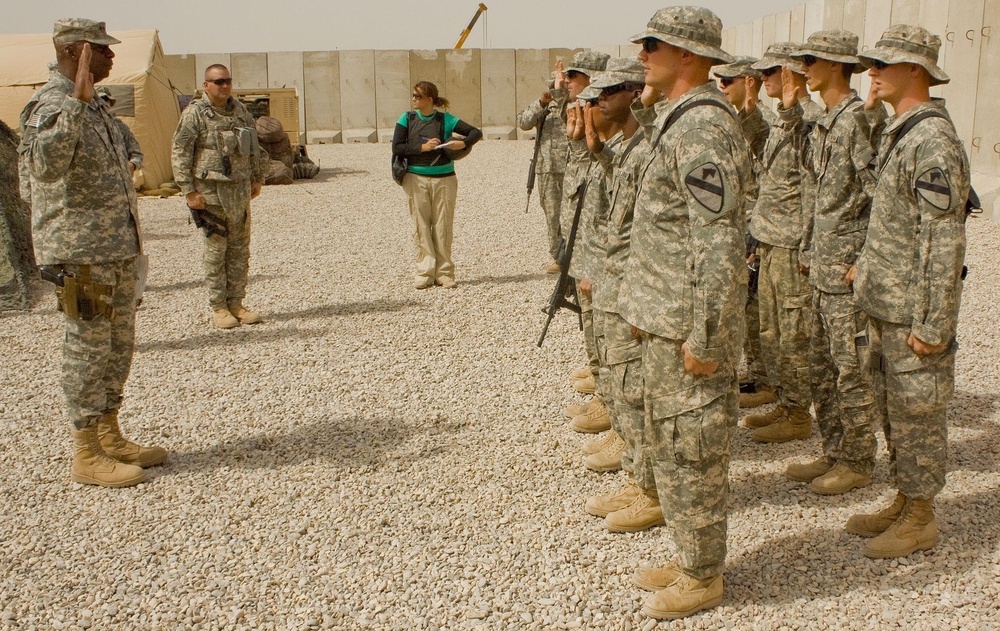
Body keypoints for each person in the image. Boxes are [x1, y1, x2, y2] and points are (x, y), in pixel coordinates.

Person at [619, 6, 751, 620]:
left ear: (689, 56)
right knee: (671, 448)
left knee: (693, 450)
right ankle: (689, 555)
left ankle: (704, 577)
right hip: (664, 321)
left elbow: (720, 245)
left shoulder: (702, 130)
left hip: (687, 333)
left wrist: (707, 335)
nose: (642, 54)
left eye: (654, 45)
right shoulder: (677, 121)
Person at [19, 18, 167, 488]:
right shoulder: (52, 105)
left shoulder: (97, 107)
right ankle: (85, 451)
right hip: (81, 251)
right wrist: (77, 106)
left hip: (117, 248)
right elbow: (44, 167)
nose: (110, 57)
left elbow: (127, 151)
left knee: (117, 344)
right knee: (86, 347)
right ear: (75, 52)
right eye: (101, 50)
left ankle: (110, 434)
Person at [847, 25, 969, 558]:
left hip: (911, 312)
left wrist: (934, 324)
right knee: (894, 409)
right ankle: (904, 497)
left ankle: (922, 516)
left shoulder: (931, 140)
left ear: (915, 70)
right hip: (887, 302)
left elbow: (943, 240)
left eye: (883, 63)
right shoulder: (903, 131)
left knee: (918, 412)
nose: (871, 71)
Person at [773, 32, 886, 496]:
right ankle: (834, 449)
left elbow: (883, 195)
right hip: (820, 268)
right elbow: (813, 190)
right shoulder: (828, 122)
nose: (803, 68)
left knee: (850, 369)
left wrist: (867, 259)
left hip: (845, 274)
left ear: (838, 65)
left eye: (811, 60)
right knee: (822, 369)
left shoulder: (858, 121)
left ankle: (858, 460)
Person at [577, 59, 663, 534]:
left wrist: (630, 288)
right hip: (615, 278)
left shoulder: (649, 145)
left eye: (606, 94)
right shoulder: (626, 147)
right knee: (621, 383)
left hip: (632, 286)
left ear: (632, 94)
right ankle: (638, 475)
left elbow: (643, 231)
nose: (596, 103)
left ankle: (649, 488)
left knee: (633, 388)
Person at [741, 43, 824, 438]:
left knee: (794, 333)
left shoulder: (810, 120)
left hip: (793, 245)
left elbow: (812, 188)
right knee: (772, 330)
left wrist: (808, 247)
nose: (764, 79)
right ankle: (785, 401)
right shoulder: (785, 118)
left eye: (770, 72)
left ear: (790, 73)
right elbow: (768, 164)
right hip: (773, 240)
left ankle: (799, 415)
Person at [171, 64, 268, 328]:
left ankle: (236, 303)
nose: (223, 86)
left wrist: (258, 177)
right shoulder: (195, 114)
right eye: (217, 82)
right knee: (216, 251)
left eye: (227, 81)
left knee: (239, 251)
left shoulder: (240, 112)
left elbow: (254, 147)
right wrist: (188, 191)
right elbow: (181, 152)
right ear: (206, 86)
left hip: (239, 192)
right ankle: (219, 307)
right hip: (210, 193)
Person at [714, 55, 776, 409]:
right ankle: (756, 373)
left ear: (748, 82)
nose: (722, 87)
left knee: (755, 309)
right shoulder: (738, 121)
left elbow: (767, 181)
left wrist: (754, 231)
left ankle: (764, 378)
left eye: (728, 81)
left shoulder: (760, 122)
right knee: (747, 304)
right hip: (747, 224)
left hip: (758, 226)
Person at [391, 81, 482, 289]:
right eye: (413, 95)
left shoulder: (445, 120)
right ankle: (425, 271)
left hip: (445, 178)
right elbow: (397, 147)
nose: (413, 99)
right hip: (415, 178)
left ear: (429, 99)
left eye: (417, 96)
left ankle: (444, 272)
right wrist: (422, 147)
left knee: (443, 226)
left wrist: (463, 143)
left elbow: (475, 132)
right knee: (421, 225)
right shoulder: (407, 118)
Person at [517, 73, 568, 274]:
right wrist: (540, 104)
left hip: (572, 167)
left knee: (574, 214)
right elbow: (523, 123)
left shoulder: (572, 104)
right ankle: (559, 257)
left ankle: (574, 255)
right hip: (547, 168)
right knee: (552, 214)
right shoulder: (543, 107)